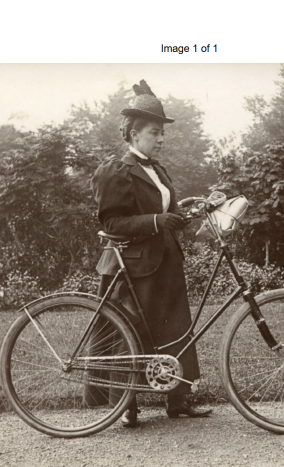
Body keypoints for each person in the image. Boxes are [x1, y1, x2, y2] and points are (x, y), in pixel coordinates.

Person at [89, 80, 212, 427]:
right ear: (133, 134)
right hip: (134, 267)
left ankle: (178, 399)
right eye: (155, 132)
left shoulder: (156, 170)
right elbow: (113, 221)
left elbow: (164, 214)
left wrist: (185, 212)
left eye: (162, 133)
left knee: (175, 330)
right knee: (132, 334)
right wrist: (159, 220)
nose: (161, 139)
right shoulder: (117, 170)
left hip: (166, 262)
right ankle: (126, 407)